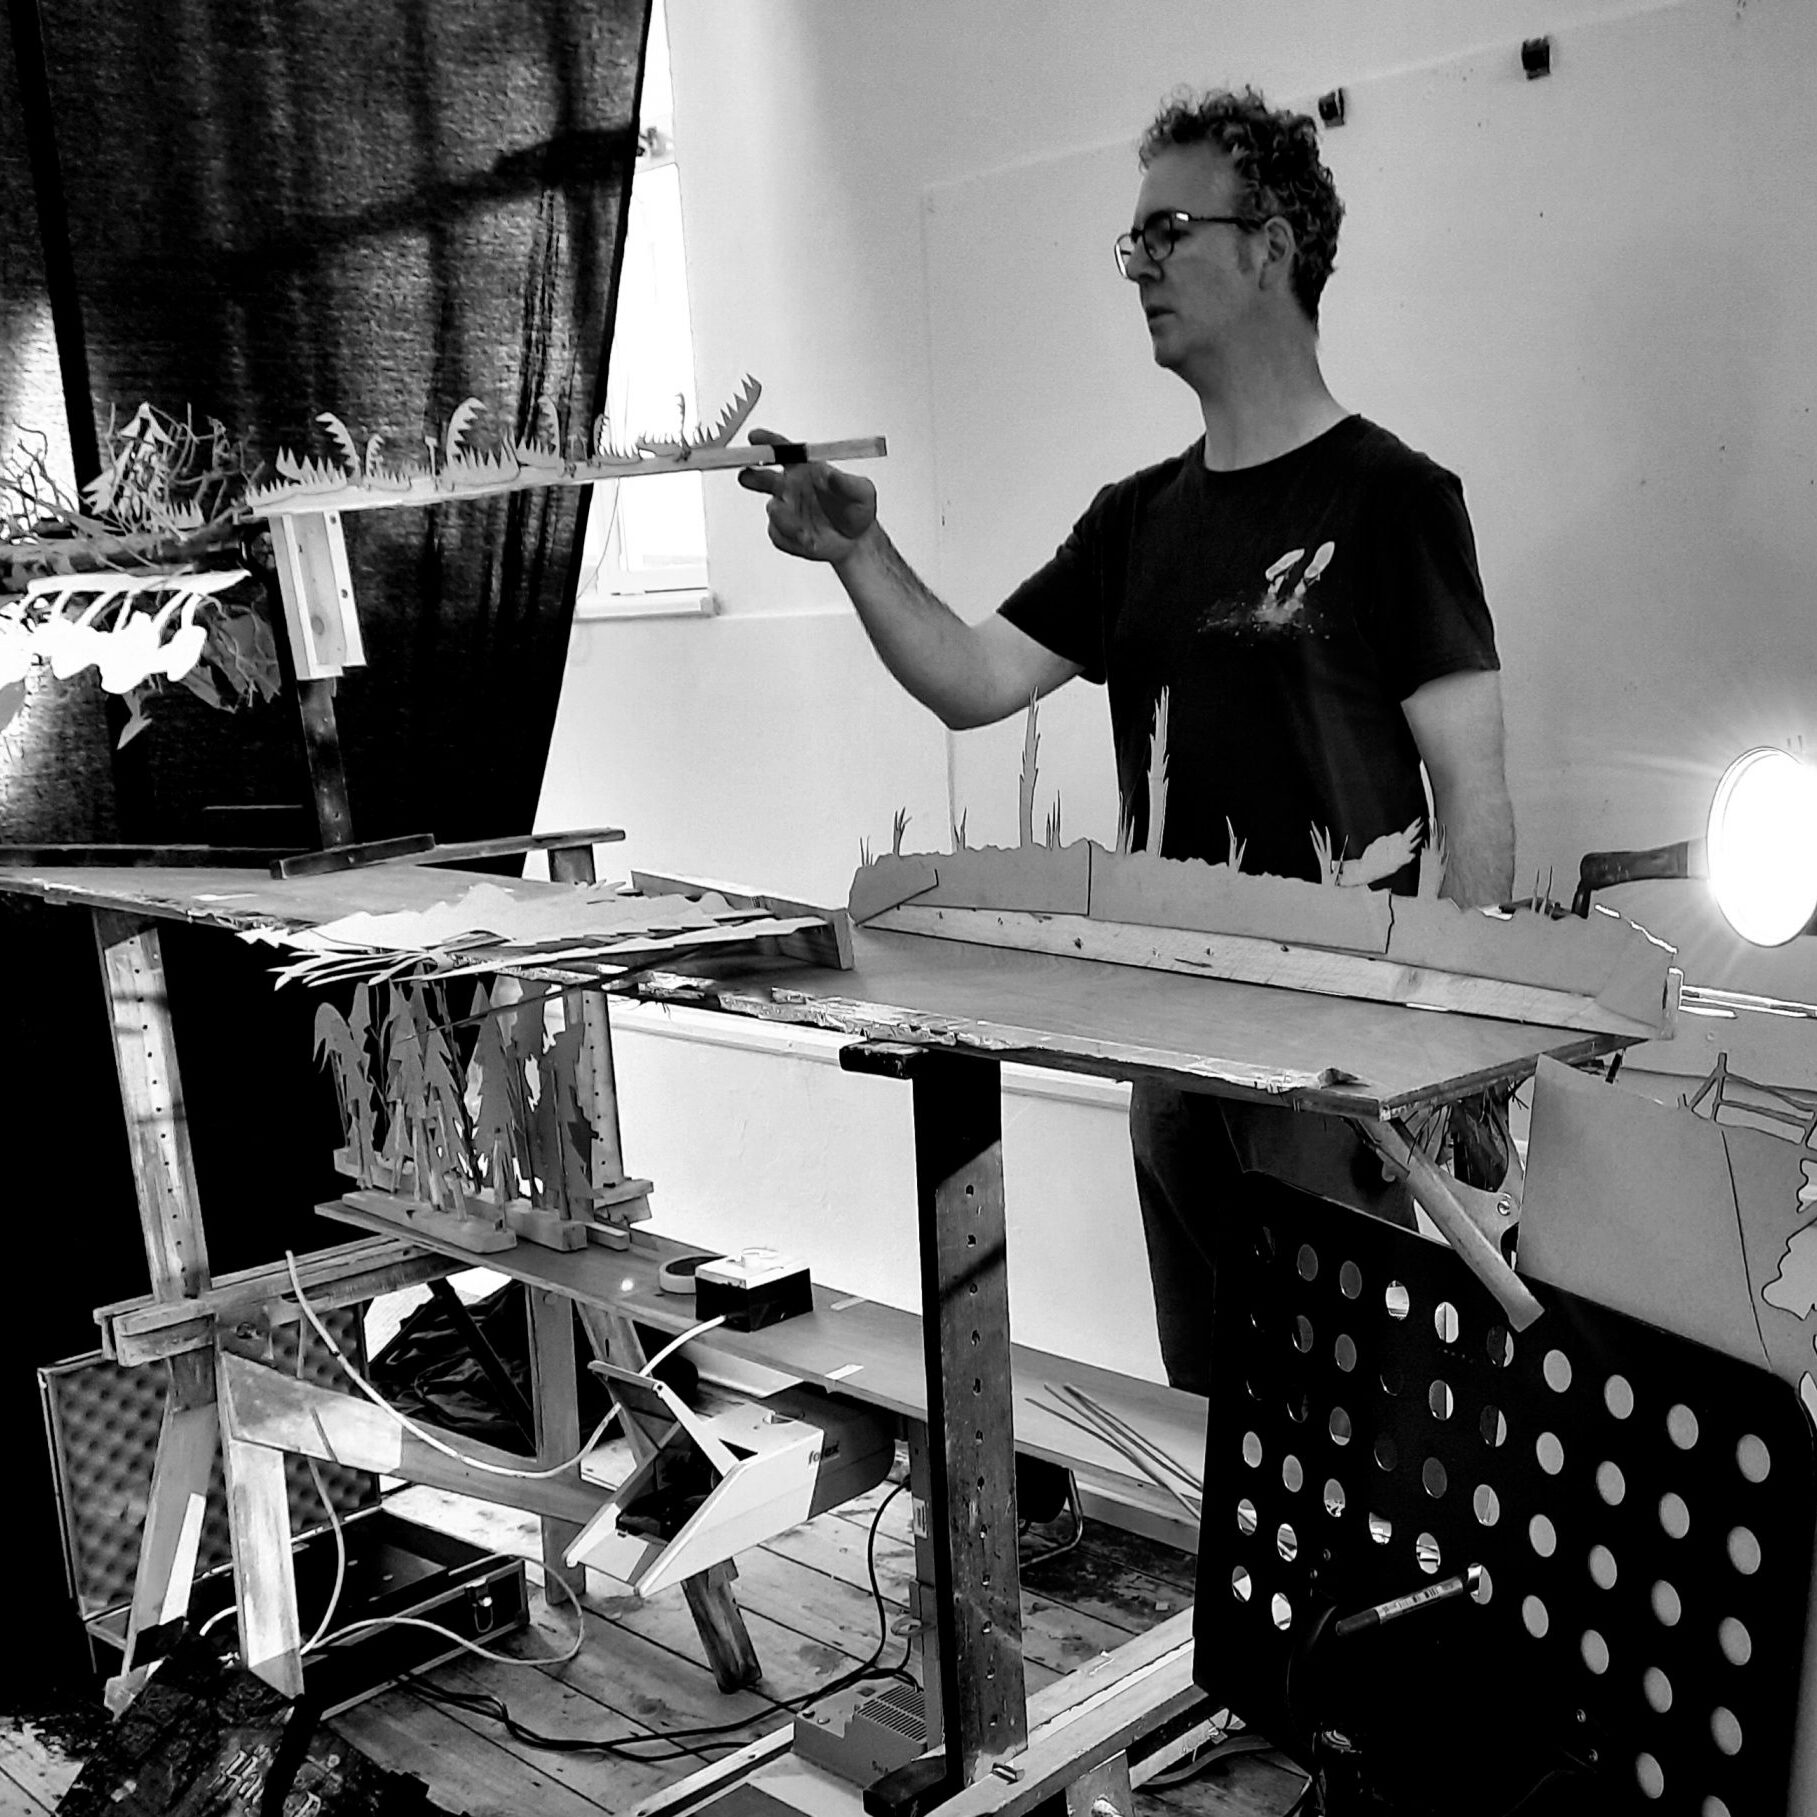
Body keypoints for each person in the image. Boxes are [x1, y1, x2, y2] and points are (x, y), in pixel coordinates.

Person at [739, 88, 1515, 1393]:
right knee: (1220, 1424)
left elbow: (1475, 802)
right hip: (1173, 1066)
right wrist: (855, 550)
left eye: (1167, 230)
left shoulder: (1392, 503)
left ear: (1269, 245)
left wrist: (1446, 1070)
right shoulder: (1134, 523)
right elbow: (972, 677)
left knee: (1358, 1438)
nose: (1139, 264)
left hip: (1342, 1081)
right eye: (1132, 242)